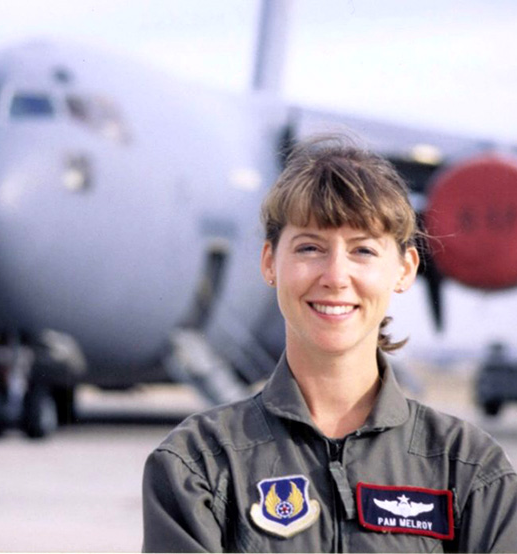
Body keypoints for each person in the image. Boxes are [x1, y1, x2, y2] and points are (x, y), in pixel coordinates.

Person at [142, 135, 517, 552]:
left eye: (363, 251)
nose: (336, 276)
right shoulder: (200, 464)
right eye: (309, 248)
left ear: (406, 268)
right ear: (270, 262)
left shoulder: (466, 468)